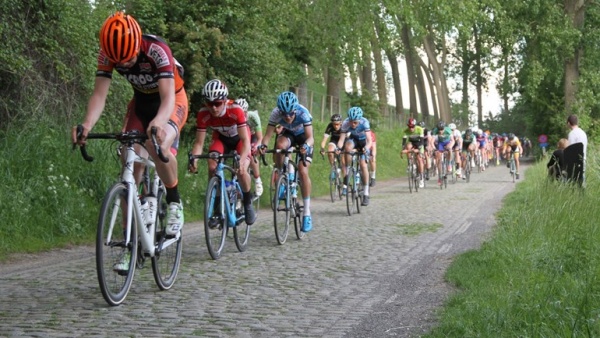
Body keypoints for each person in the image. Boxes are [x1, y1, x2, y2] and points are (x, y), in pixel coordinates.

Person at [72, 12, 187, 244]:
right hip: (140, 104)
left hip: (172, 101)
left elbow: (167, 99)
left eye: (129, 58)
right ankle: (129, 240)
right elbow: (99, 95)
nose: (124, 64)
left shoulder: (156, 50)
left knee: (158, 147)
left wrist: (158, 123)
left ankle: (174, 201)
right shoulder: (107, 53)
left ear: (136, 45)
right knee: (129, 160)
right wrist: (86, 124)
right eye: (119, 61)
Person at [189, 80, 256, 226]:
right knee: (212, 165)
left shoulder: (235, 110)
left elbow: (245, 141)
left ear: (225, 101)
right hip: (221, 139)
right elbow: (199, 143)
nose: (213, 107)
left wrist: (243, 159)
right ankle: (216, 205)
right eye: (209, 103)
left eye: (217, 103)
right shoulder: (203, 114)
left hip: (240, 140)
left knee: (242, 170)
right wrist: (194, 159)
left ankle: (247, 202)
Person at [259, 91, 314, 232]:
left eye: (290, 114)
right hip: (288, 134)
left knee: (302, 171)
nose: (288, 117)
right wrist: (263, 146)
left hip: (303, 137)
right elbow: (267, 136)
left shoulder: (303, 113)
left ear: (295, 110)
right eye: (284, 114)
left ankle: (307, 213)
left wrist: (306, 147)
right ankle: (281, 174)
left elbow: (310, 138)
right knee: (279, 146)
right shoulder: (276, 113)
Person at [336, 107, 373, 206]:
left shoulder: (364, 122)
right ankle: (348, 171)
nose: (353, 124)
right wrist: (338, 149)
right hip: (354, 141)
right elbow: (341, 140)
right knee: (347, 148)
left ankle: (365, 193)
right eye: (351, 121)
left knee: (363, 165)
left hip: (364, 142)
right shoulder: (345, 123)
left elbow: (369, 141)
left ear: (359, 120)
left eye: (355, 122)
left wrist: (366, 148)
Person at [235, 98, 263, 197]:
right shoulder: (234, 117)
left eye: (244, 114)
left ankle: (257, 180)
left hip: (253, 136)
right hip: (242, 137)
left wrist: (256, 146)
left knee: (252, 154)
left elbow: (260, 138)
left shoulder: (253, 116)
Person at [401, 118, 425, 188]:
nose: (411, 128)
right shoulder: (406, 131)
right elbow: (404, 142)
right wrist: (403, 149)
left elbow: (422, 141)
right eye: (409, 127)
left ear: (415, 126)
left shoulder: (419, 129)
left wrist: (419, 149)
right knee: (408, 146)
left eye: (412, 127)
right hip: (412, 143)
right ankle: (410, 164)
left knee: (419, 159)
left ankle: (421, 178)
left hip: (419, 143)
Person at [429, 121, 455, 185]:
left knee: (450, 150)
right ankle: (440, 177)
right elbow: (432, 142)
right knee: (438, 157)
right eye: (439, 130)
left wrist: (450, 146)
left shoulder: (448, 130)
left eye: (442, 130)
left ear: (444, 128)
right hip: (440, 143)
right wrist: (434, 149)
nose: (440, 131)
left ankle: (449, 164)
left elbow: (453, 141)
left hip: (448, 142)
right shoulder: (435, 130)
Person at [567, 114, 588, 183]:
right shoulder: (583, 133)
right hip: (583, 161)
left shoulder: (572, 134)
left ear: (569, 123)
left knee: (573, 185)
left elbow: (571, 150)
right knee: (582, 185)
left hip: (575, 164)